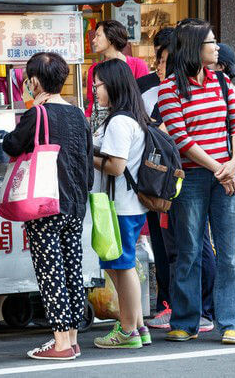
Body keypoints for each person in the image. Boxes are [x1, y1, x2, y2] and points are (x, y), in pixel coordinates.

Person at [157, 19, 235, 345]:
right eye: (211, 41)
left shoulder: (225, 84)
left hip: (226, 174)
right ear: (195, 48)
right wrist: (218, 169)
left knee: (230, 254)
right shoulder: (169, 90)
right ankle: (185, 321)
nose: (217, 47)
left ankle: (233, 322)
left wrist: (233, 164)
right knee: (189, 252)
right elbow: (182, 141)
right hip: (194, 176)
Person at [3, 52, 93, 361]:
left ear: (35, 82)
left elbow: (12, 145)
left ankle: (60, 343)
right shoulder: (79, 114)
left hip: (45, 203)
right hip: (75, 203)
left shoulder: (37, 114)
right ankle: (72, 337)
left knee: (50, 270)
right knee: (72, 269)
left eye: (29, 80)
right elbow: (87, 163)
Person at [142, 35, 216, 334]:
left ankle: (204, 310)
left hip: (188, 178)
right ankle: (180, 309)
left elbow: (175, 136)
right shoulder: (164, 93)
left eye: (161, 61)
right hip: (170, 180)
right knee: (179, 246)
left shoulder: (187, 93)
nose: (157, 67)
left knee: (194, 246)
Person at [90, 59, 149, 349]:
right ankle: (137, 327)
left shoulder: (119, 122)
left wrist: (86, 154)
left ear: (113, 85)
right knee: (121, 266)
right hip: (126, 205)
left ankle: (127, 332)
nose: (95, 90)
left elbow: (115, 166)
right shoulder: (131, 117)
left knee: (123, 266)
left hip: (120, 205)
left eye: (98, 85)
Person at [85, 20, 149, 129]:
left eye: (98, 35)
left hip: (129, 126)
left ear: (110, 39)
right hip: (98, 128)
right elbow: (92, 104)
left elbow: (143, 99)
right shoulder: (94, 69)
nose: (93, 40)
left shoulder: (138, 65)